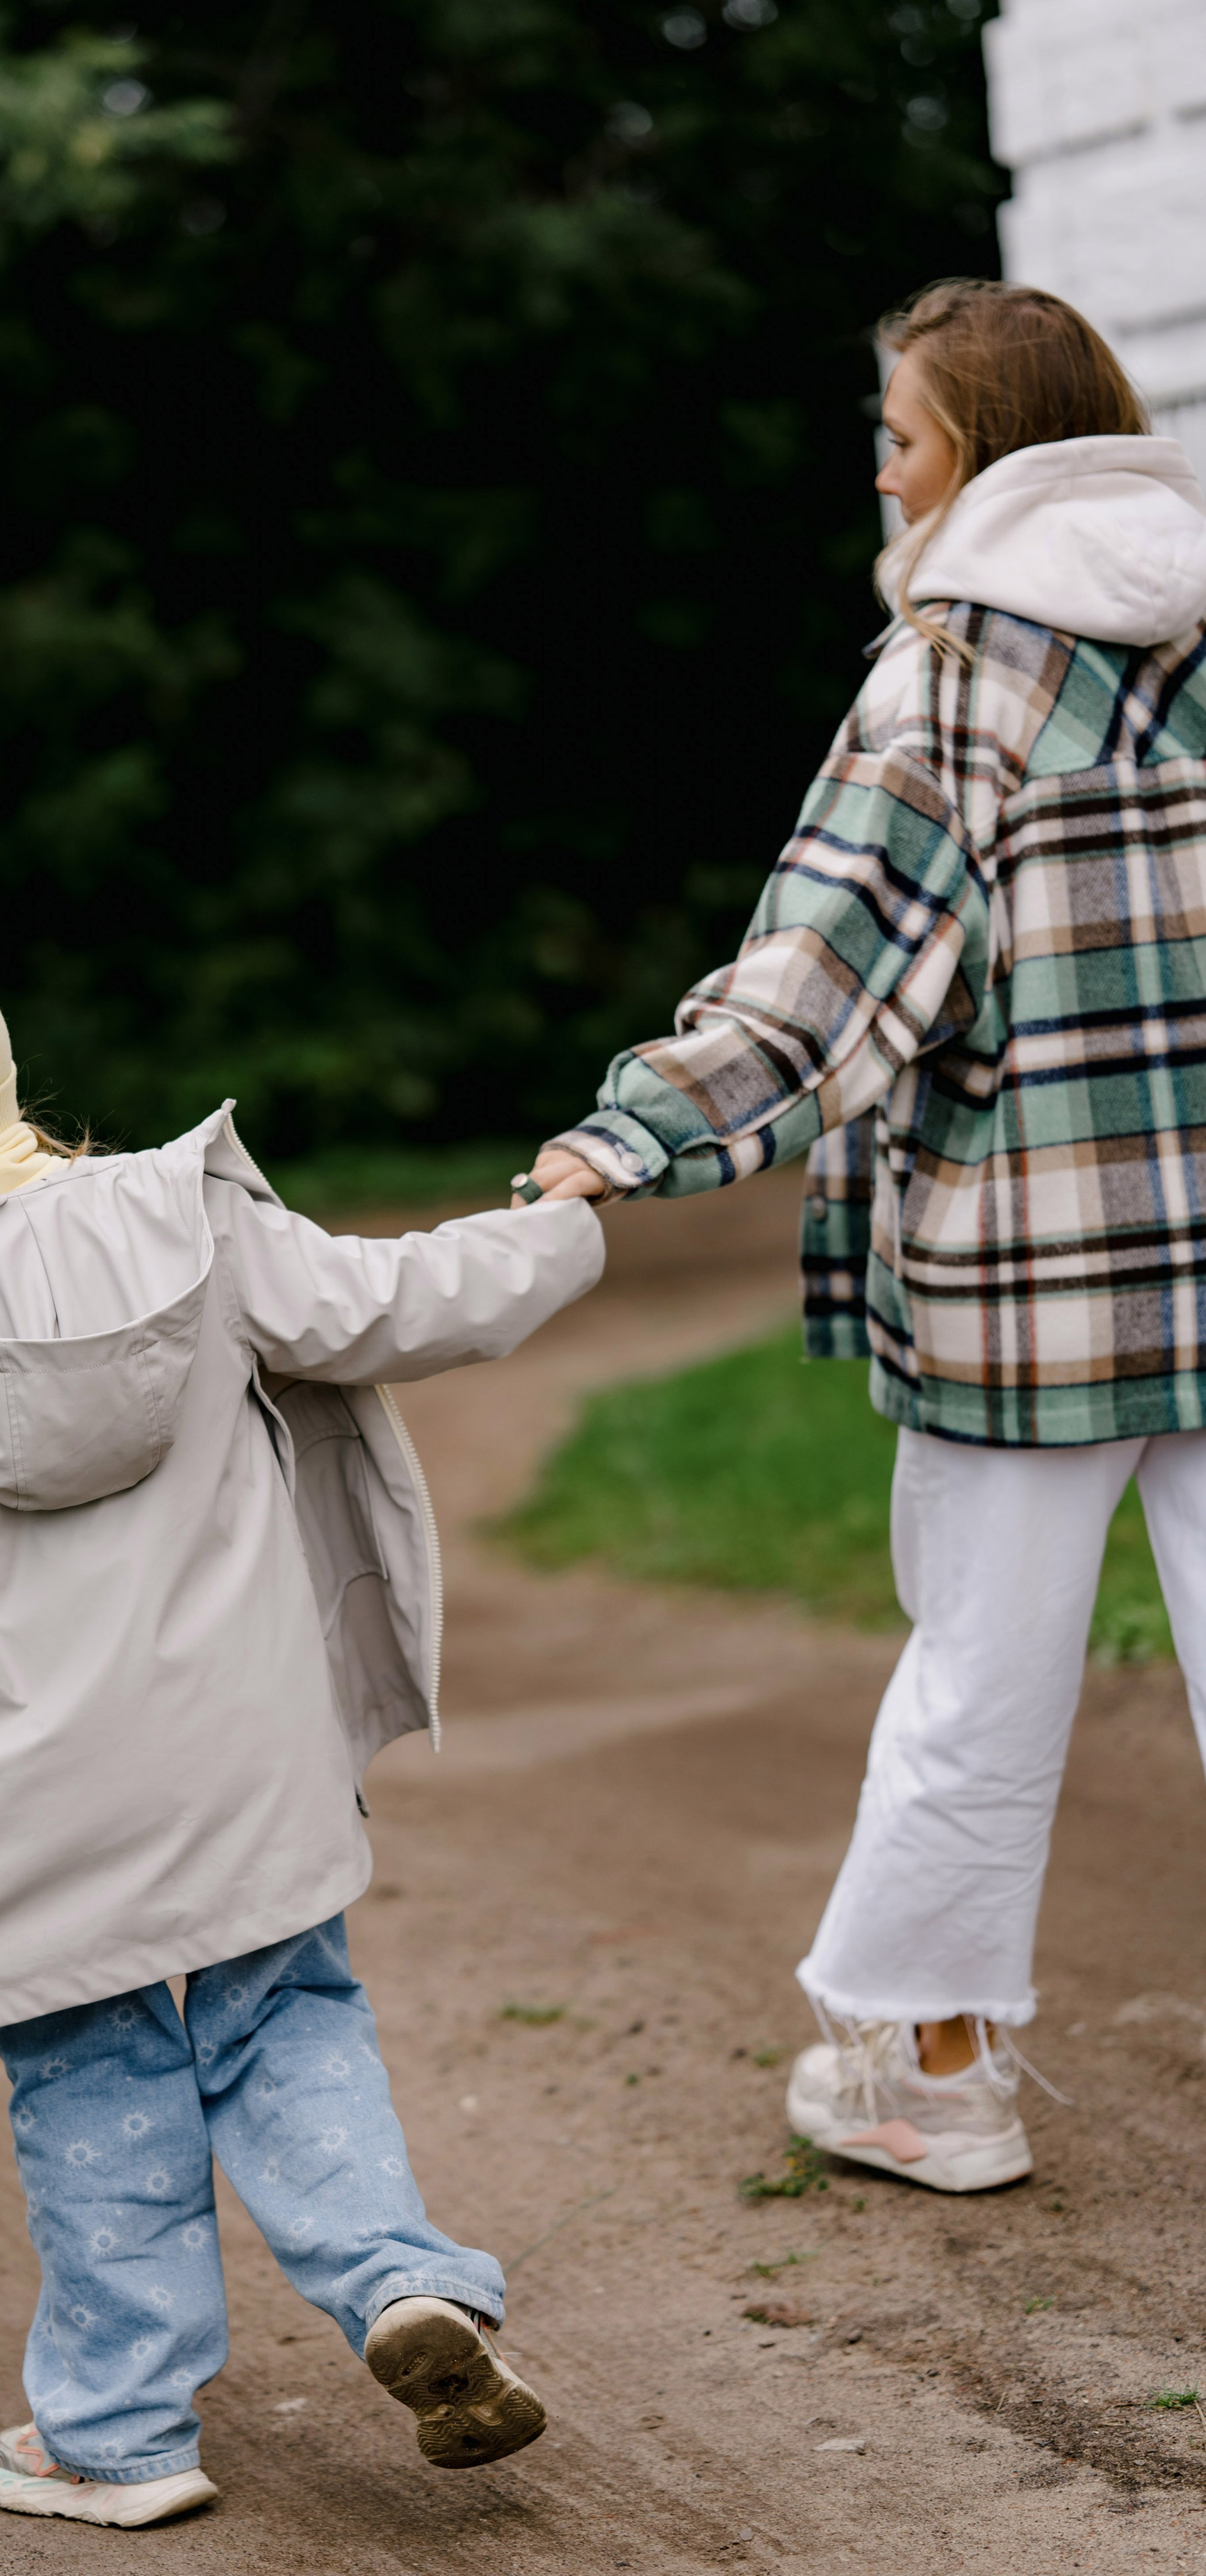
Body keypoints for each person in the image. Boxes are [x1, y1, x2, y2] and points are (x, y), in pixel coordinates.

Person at [0, 911, 605, 2526]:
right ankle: (395, 2282)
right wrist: (565, 1224)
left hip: (25, 1825)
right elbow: (407, 1302)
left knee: (92, 2079)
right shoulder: (189, 1228)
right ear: (0, 1086)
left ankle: (116, 2432)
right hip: (246, 1774)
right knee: (288, 2015)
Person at [521, 279, 1206, 2196]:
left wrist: (627, 1140)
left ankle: (933, 2074)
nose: (883, 480)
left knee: (984, 1677)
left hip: (1033, 1282)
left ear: (974, 460)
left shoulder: (957, 671)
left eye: (897, 441)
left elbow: (826, 980)